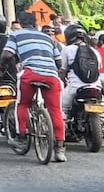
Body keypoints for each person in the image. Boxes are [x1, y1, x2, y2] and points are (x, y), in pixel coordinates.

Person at [4, 11, 68, 161]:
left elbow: (7, 55)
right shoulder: (48, 38)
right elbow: (59, 62)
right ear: (35, 23)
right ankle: (60, 149)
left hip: (30, 74)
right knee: (55, 111)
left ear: (20, 22)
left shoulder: (16, 34)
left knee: (23, 104)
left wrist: (2, 69)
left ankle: (21, 137)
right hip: (51, 76)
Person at [57, 24, 103, 131]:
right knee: (102, 108)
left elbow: (62, 70)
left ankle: (62, 133)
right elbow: (99, 68)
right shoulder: (95, 51)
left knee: (62, 107)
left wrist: (62, 79)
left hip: (76, 88)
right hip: (96, 87)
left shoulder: (67, 50)